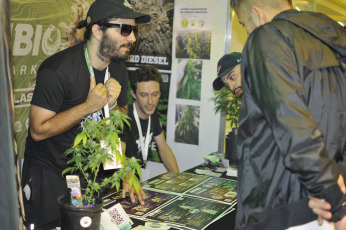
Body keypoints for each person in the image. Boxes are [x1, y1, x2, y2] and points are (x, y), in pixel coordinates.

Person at [21, 0, 151, 228]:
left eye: (134, 31)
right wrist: (87, 107)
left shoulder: (118, 68)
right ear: (98, 31)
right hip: (50, 176)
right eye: (125, 29)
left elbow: (117, 127)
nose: (132, 38)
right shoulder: (57, 70)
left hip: (89, 175)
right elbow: (38, 130)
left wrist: (123, 171)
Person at [229, 0, 346, 229]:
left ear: (257, 14)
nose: (248, 31)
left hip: (284, 205)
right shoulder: (334, 39)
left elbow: (291, 122)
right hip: (324, 199)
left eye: (244, 25)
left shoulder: (266, 38)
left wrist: (332, 195)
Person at [121, 66, 179, 182]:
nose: (150, 101)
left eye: (155, 94)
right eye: (144, 95)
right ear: (133, 94)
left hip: (137, 182)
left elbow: (163, 148)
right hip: (121, 184)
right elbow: (119, 157)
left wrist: (179, 178)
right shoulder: (124, 118)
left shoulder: (152, 114)